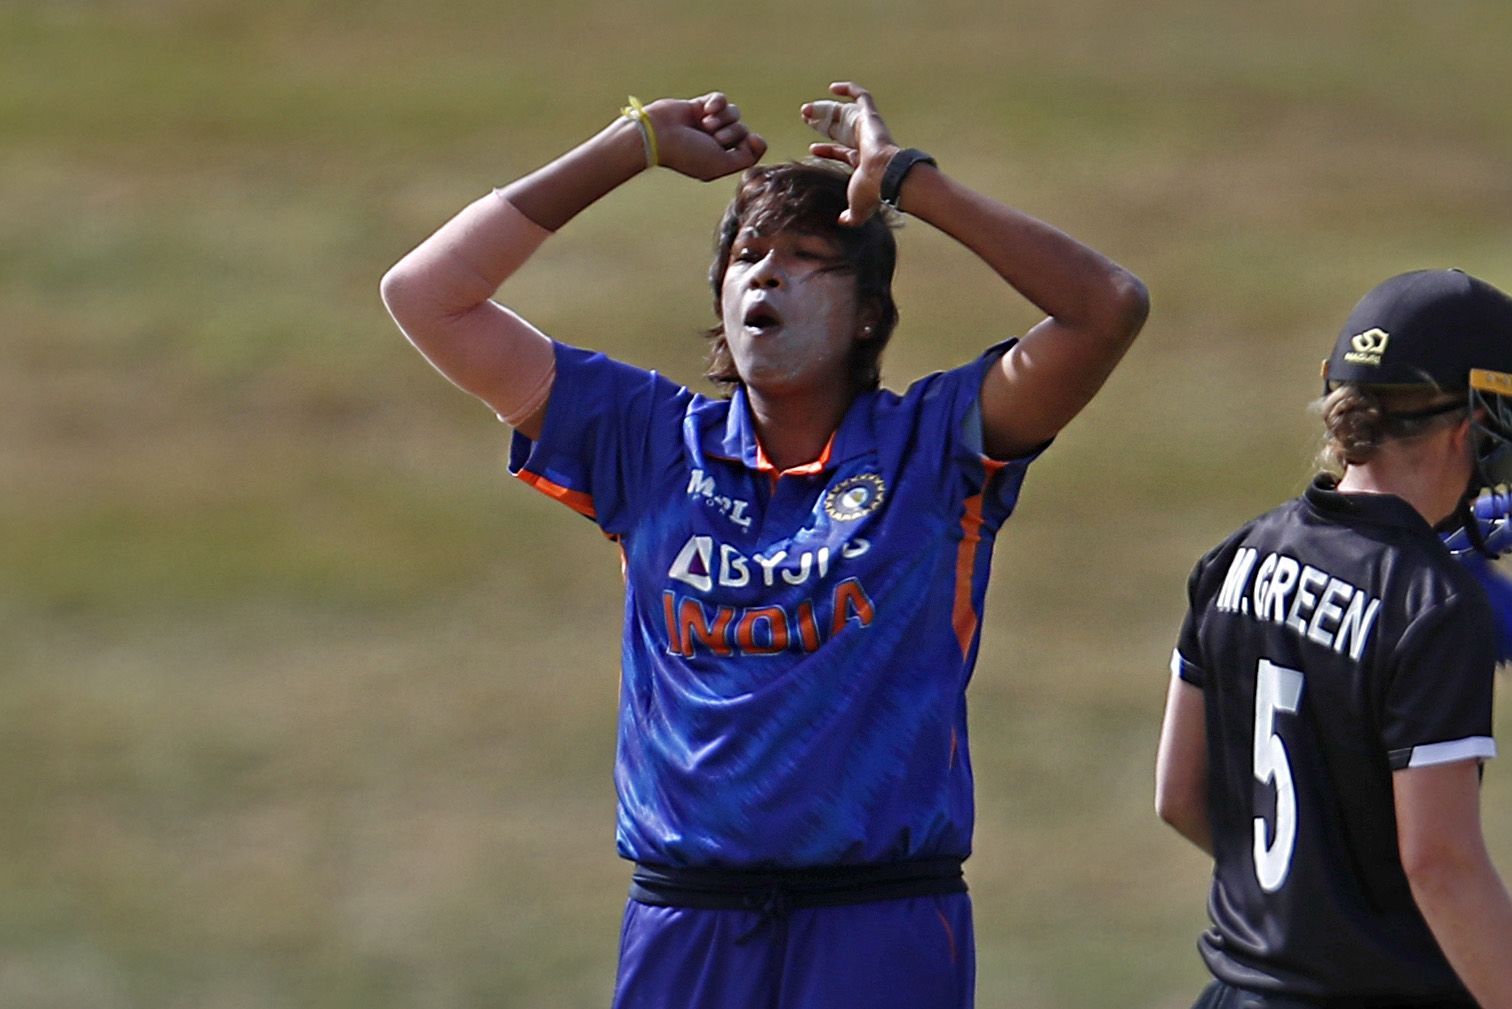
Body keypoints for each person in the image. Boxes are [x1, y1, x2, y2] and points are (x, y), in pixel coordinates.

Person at [382, 81, 1147, 1009]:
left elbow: (1107, 307)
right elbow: (427, 295)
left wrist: (904, 179)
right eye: (747, 256)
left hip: (881, 922)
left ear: (868, 314)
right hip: (688, 921)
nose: (766, 275)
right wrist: (629, 147)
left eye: (808, 258)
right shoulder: (649, 441)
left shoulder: (935, 444)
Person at [1155, 269, 1512, 1009]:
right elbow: (1441, 864)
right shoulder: (1432, 606)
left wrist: (1313, 902)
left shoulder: (1238, 554)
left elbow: (1179, 794)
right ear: (1476, 421)